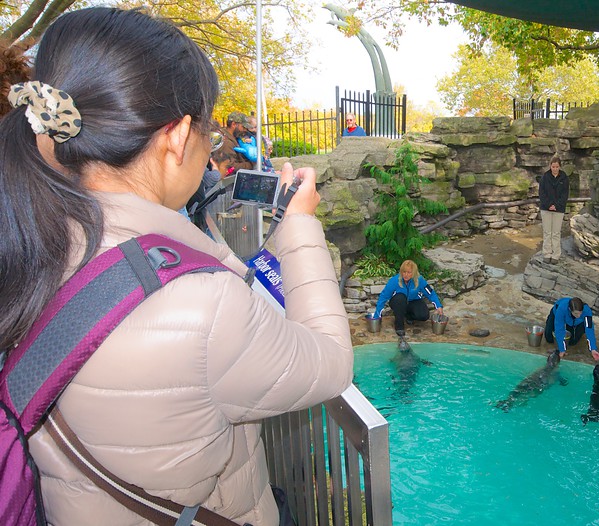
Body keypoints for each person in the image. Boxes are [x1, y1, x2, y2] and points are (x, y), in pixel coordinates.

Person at [0, 7, 354, 525]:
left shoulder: (31, 240)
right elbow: (329, 363)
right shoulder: (202, 303)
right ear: (177, 135)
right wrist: (299, 224)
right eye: (209, 129)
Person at [372, 260, 442, 339]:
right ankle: (399, 326)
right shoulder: (394, 281)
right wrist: (377, 315)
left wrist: (438, 306)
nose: (406, 275)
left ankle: (409, 316)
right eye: (404, 272)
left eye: (409, 272)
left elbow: (430, 293)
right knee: (400, 298)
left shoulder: (419, 280)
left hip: (413, 301)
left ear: (414, 273)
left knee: (424, 315)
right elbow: (383, 297)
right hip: (398, 302)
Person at [544, 297, 599, 361]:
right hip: (557, 314)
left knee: (572, 342)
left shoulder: (586, 311)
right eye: (576, 313)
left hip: (575, 322)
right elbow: (559, 329)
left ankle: (580, 329)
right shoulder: (562, 309)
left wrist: (593, 349)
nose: (579, 315)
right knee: (549, 337)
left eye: (580, 313)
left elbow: (589, 329)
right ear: (570, 309)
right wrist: (562, 350)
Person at [538, 155, 569, 263]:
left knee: (556, 233)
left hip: (559, 209)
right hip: (546, 208)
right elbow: (542, 193)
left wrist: (556, 205)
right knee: (547, 232)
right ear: (550, 166)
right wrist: (549, 205)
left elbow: (565, 194)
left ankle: (556, 255)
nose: (555, 169)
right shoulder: (545, 177)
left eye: (557, 167)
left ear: (559, 167)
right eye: (553, 166)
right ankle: (547, 253)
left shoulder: (564, 178)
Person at [215, 110, 254, 176]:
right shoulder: (226, 142)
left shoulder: (235, 137)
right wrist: (252, 164)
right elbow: (231, 166)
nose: (245, 130)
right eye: (243, 127)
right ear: (233, 124)